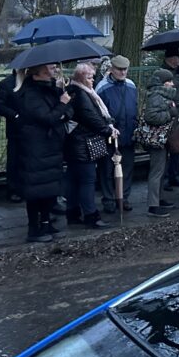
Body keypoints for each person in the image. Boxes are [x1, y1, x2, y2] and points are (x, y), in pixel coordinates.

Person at [16, 64, 72, 242]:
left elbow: (65, 112)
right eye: (51, 67)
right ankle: (34, 228)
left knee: (50, 188)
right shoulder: (30, 94)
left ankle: (47, 223)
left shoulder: (52, 89)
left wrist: (62, 108)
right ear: (39, 71)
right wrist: (61, 106)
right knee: (35, 190)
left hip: (51, 147)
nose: (55, 70)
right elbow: (47, 117)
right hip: (36, 148)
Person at [64, 62, 116, 228]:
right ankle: (91, 216)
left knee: (73, 179)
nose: (92, 80)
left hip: (75, 143)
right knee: (87, 180)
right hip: (83, 144)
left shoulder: (74, 92)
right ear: (80, 78)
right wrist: (108, 130)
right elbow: (91, 117)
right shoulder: (81, 94)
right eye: (89, 77)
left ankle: (72, 213)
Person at [96, 55, 138, 212]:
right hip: (110, 135)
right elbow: (98, 113)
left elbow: (134, 106)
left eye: (125, 69)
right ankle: (108, 199)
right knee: (107, 169)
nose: (123, 72)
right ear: (112, 69)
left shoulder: (131, 85)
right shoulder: (102, 87)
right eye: (119, 69)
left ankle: (123, 197)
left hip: (128, 133)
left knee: (127, 168)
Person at [141, 69, 179, 218]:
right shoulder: (157, 96)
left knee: (161, 170)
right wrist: (170, 113)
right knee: (157, 171)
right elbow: (151, 116)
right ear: (162, 83)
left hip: (163, 138)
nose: (172, 84)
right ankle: (153, 205)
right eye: (168, 81)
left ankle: (158, 199)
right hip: (157, 140)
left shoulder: (161, 95)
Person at [160, 48, 179, 192]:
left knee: (177, 147)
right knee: (167, 147)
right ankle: (165, 177)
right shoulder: (163, 74)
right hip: (169, 114)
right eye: (177, 58)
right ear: (170, 59)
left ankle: (173, 175)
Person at [0, 70, 24, 201]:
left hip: (32, 129)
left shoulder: (32, 81)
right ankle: (13, 190)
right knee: (14, 161)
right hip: (16, 130)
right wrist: (14, 115)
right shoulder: (6, 84)